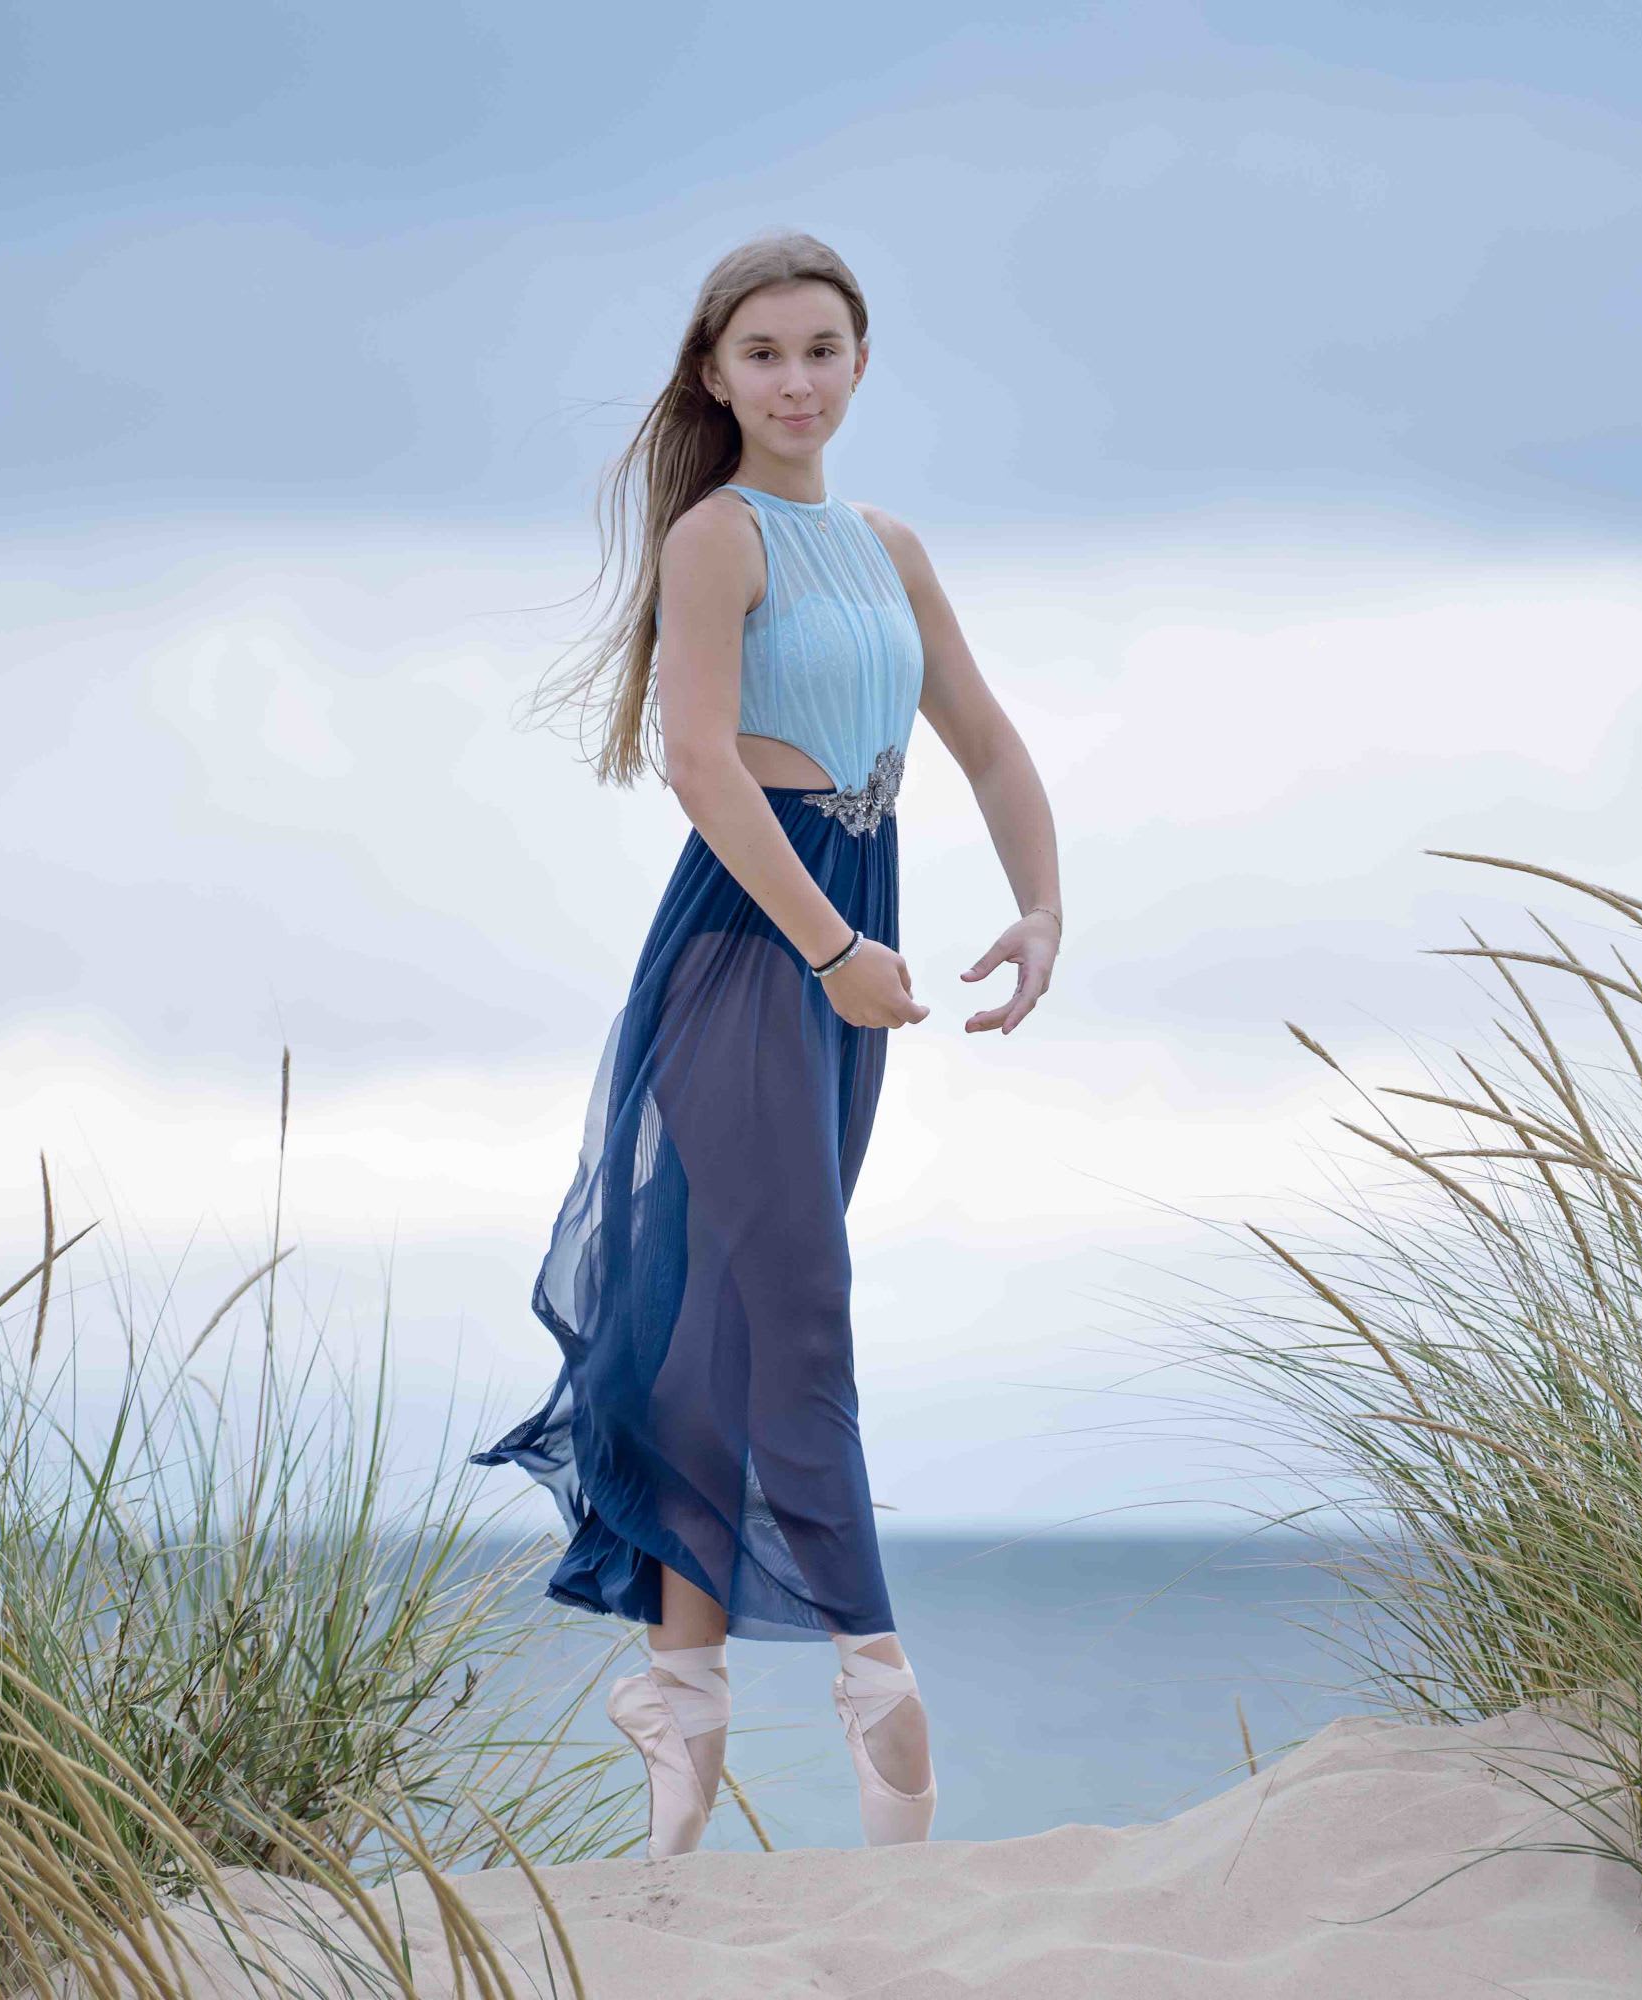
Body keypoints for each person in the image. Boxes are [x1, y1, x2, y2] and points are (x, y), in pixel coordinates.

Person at [471, 230, 1062, 1857]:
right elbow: (701, 763)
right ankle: (879, 1686)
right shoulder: (716, 540)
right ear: (714, 377)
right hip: (749, 952)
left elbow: (991, 741)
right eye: (764, 355)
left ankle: (680, 1691)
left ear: (862, 366)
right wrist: (834, 949)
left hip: (851, 953)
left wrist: (1042, 909)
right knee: (800, 1303)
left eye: (822, 350)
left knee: (733, 1330)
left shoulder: (888, 545)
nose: (796, 380)